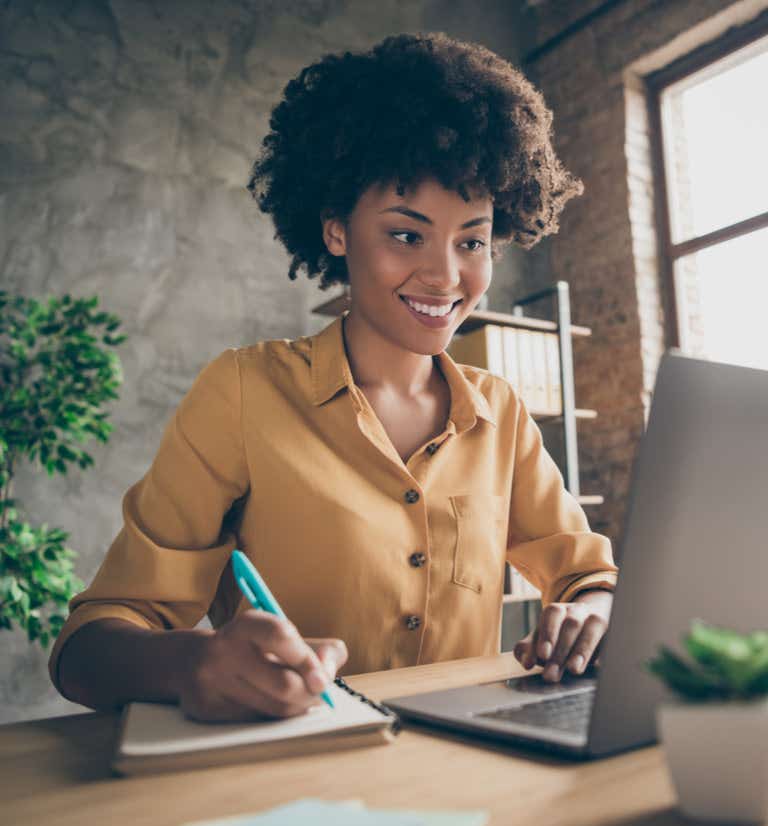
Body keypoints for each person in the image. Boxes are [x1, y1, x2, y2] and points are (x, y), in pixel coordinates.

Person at [49, 32, 618, 723]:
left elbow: (589, 575)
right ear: (337, 230)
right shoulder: (242, 394)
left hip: (470, 778)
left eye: (471, 239)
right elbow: (85, 650)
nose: (446, 275)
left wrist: (591, 613)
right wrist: (196, 661)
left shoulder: (499, 412)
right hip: (296, 787)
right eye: (406, 235)